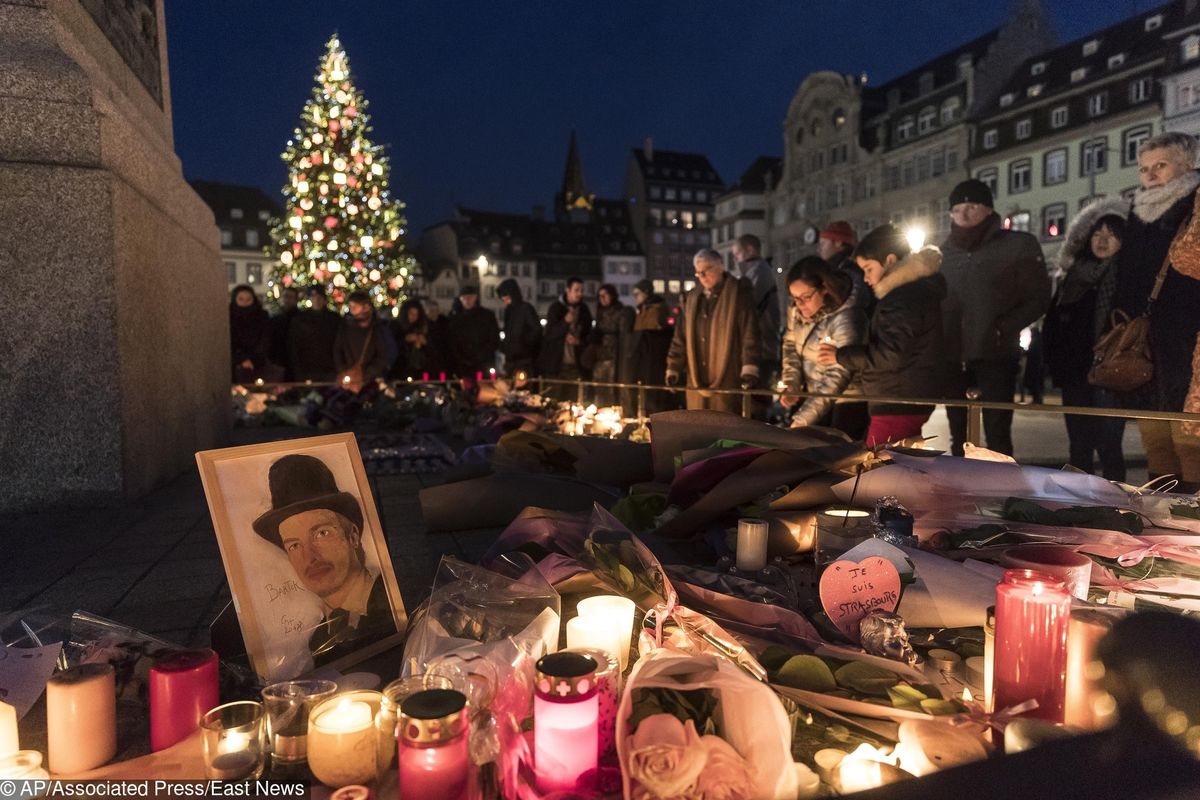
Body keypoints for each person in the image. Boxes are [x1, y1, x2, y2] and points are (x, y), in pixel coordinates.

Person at [1112, 131, 1200, 491]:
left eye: (1159, 166)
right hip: (1146, 334)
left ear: (1187, 164)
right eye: (1143, 168)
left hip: (1188, 331)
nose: (1149, 175)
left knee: (1187, 429)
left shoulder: (1194, 202)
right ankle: (1161, 507)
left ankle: (1190, 514)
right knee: (1153, 430)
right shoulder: (1137, 212)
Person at [252, 454, 398, 665]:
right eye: (294, 545)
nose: (309, 556)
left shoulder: (392, 602)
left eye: (321, 533)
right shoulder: (319, 639)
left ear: (353, 536)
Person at [940, 179, 1050, 456]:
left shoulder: (1016, 245)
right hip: (953, 357)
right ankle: (960, 493)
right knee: (959, 436)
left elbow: (1038, 297)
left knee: (997, 434)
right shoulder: (943, 253)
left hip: (996, 354)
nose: (963, 214)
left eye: (972, 207)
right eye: (957, 209)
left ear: (988, 210)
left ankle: (1001, 494)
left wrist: (1003, 328)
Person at [818, 224, 945, 447]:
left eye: (868, 269)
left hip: (897, 399)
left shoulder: (901, 299)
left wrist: (841, 356)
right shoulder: (910, 293)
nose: (866, 278)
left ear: (890, 260)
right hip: (904, 395)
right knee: (897, 465)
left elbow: (891, 355)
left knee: (879, 469)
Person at [1042, 202, 1128, 480]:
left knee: (1108, 444)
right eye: (1096, 234)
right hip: (1074, 373)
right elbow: (1054, 322)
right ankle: (1079, 505)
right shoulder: (1074, 275)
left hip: (1109, 372)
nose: (1102, 241)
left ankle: (1117, 504)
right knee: (1078, 445)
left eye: (1111, 235)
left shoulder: (1126, 275)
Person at [779, 256, 869, 438]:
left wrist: (804, 418)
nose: (799, 305)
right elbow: (790, 344)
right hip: (814, 396)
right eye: (794, 298)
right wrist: (792, 383)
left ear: (825, 289)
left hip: (848, 399)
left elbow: (838, 373)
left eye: (805, 297)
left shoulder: (846, 317)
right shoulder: (797, 308)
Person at [665, 249, 760, 413]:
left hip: (728, 374)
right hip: (696, 378)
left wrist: (749, 368)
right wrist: (673, 367)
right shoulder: (691, 299)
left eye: (706, 270)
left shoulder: (738, 294)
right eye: (698, 272)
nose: (702, 276)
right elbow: (680, 337)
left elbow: (749, 333)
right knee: (698, 426)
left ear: (721, 267)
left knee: (725, 423)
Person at [731, 234, 783, 382]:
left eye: (737, 254)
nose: (736, 259)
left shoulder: (759, 272)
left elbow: (747, 305)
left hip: (761, 348)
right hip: (763, 347)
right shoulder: (757, 271)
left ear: (750, 249)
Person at [333, 290, 394, 392]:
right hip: (349, 379)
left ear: (366, 307)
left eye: (355, 307)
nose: (352, 310)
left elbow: (383, 356)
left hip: (370, 383)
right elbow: (338, 350)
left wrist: (366, 374)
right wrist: (343, 370)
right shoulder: (345, 326)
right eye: (351, 307)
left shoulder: (377, 329)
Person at [537, 277, 593, 386]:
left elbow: (589, 334)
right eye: (576, 290)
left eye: (581, 290)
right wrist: (565, 322)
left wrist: (579, 341)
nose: (580, 294)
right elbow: (549, 334)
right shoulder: (556, 308)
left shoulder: (584, 310)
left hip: (576, 365)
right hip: (557, 365)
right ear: (568, 290)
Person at [630, 279, 674, 413]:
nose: (635, 297)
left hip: (653, 357)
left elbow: (654, 331)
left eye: (637, 294)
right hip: (643, 356)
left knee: (652, 392)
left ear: (646, 293)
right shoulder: (642, 309)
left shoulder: (657, 309)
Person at [592, 283, 636, 407]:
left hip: (615, 355)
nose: (602, 299)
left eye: (605, 295)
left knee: (612, 388)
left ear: (612, 296)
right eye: (600, 296)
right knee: (600, 388)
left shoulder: (620, 311)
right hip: (600, 356)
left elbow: (624, 334)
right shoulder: (600, 312)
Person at [288, 286, 341, 382]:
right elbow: (294, 345)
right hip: (307, 368)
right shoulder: (300, 319)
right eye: (313, 297)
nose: (316, 300)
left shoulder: (334, 319)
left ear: (324, 299)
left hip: (329, 368)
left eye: (319, 297)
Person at [448, 285, 500, 377]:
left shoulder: (487, 316)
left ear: (475, 298)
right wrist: (462, 358)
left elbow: (494, 338)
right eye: (464, 298)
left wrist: (482, 355)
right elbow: (452, 341)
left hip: (484, 363)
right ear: (460, 299)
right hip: (463, 365)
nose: (467, 300)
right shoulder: (455, 318)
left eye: (470, 297)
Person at [818, 220, 871, 312]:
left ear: (838, 242)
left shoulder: (847, 270)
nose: (819, 249)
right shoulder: (846, 266)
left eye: (823, 244)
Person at [497, 278, 542, 379]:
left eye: (506, 297)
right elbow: (508, 332)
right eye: (503, 298)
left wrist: (523, 344)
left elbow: (536, 330)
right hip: (510, 359)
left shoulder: (526, 308)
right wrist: (505, 346)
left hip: (524, 359)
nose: (504, 300)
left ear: (513, 294)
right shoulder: (508, 311)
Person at [229, 284, 271, 383]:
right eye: (241, 299)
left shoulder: (262, 316)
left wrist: (254, 359)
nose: (244, 303)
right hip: (234, 366)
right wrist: (241, 359)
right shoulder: (229, 317)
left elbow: (265, 340)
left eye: (248, 299)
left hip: (259, 365)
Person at [390, 299, 430, 379]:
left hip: (416, 372)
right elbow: (390, 347)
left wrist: (424, 343)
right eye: (411, 314)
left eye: (416, 314)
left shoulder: (421, 328)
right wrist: (405, 340)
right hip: (398, 371)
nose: (414, 317)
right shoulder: (395, 327)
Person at [268, 287, 301, 380]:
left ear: (296, 299)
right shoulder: (275, 319)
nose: (287, 300)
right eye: (285, 296)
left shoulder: (302, 319)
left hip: (298, 362)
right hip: (279, 361)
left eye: (290, 297)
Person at [423, 300, 452, 377]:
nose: (434, 313)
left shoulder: (444, 323)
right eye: (431, 311)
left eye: (436, 311)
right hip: (428, 359)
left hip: (442, 358)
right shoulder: (423, 325)